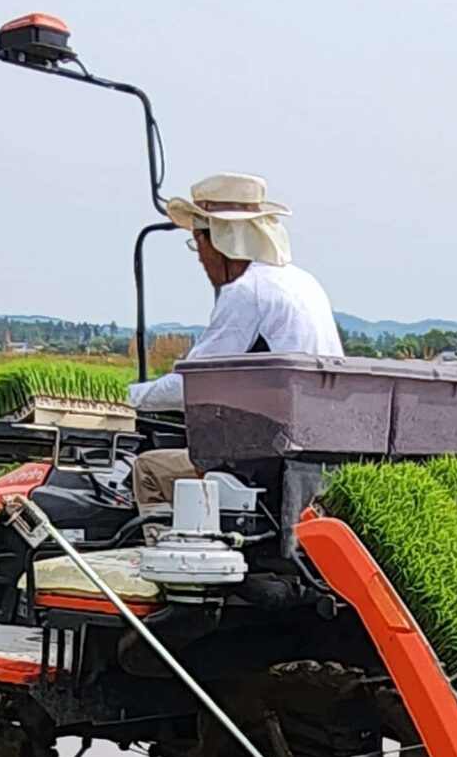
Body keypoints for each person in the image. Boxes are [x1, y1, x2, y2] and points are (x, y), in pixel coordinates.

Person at [127, 173, 340, 508]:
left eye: (198, 241)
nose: (199, 257)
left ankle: (175, 557)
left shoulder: (248, 292)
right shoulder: (304, 282)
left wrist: (127, 399)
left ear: (221, 240)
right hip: (311, 452)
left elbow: (194, 386)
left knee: (149, 468)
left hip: (266, 462)